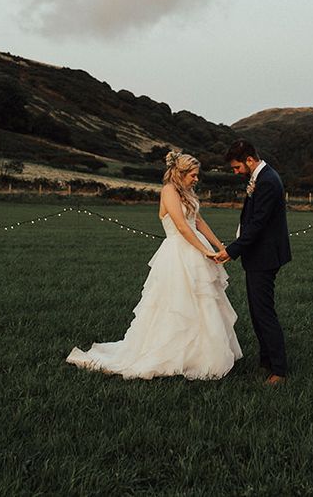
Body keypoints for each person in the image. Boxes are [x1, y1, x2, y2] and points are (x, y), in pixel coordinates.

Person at [66, 152, 242, 380]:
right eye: (193, 175)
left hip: (195, 250)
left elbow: (197, 221)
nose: (196, 179)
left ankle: (200, 354)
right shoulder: (168, 191)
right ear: (180, 173)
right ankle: (170, 352)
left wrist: (220, 246)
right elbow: (181, 226)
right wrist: (205, 250)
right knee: (176, 303)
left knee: (203, 302)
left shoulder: (187, 192)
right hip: (178, 253)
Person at [215, 139, 291, 386]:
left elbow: (258, 224)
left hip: (265, 256)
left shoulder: (268, 181)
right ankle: (266, 361)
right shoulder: (262, 177)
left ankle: (279, 370)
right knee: (258, 312)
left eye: (237, 167)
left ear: (249, 160)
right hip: (259, 254)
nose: (236, 172)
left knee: (264, 312)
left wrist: (231, 251)